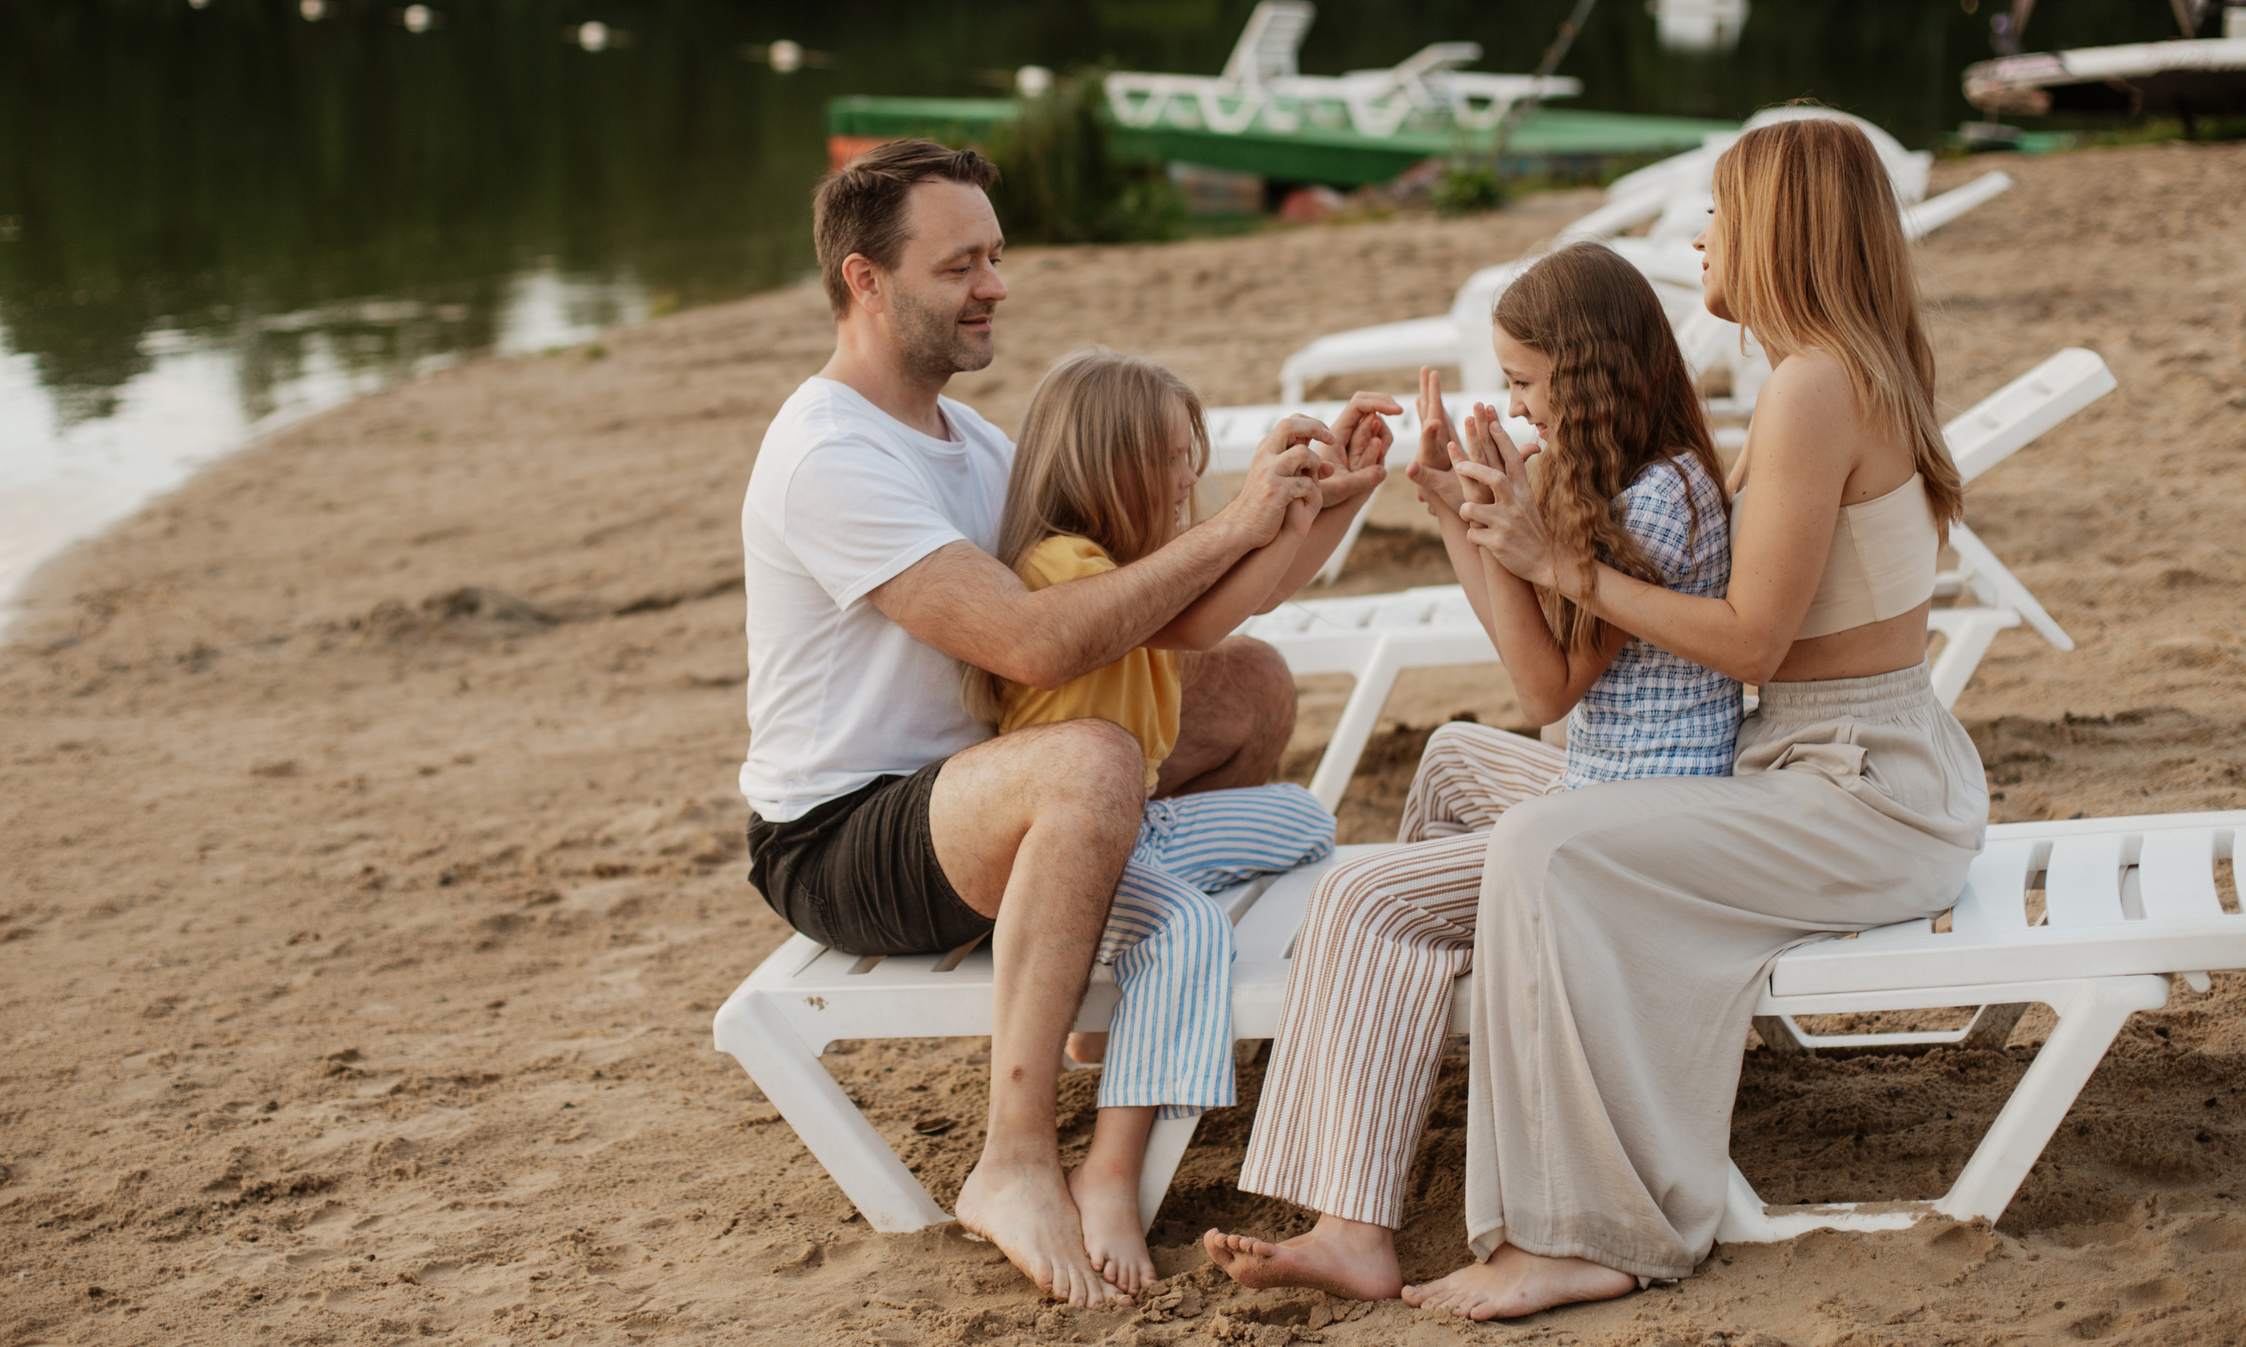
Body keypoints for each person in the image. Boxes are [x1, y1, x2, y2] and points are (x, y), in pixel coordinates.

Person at [1213, 112, 1988, 1320]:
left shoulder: (1813, 388)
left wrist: (1556, 562)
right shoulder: (1831, 375)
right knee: (1468, 766)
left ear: (1778, 230)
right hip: (1809, 765)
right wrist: (1502, 531)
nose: (1701, 235)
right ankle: (1394, 1120)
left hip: (1853, 793)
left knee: (1536, 842)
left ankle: (1577, 1229)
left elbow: (1748, 640)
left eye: (1723, 213)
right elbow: (1600, 664)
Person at [737, 139, 1394, 1305]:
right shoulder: (829, 455)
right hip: (842, 837)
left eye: (995, 257)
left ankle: (1120, 1002)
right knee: (1091, 759)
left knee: (1249, 683)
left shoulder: (973, 443)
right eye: (959, 267)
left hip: (979, 785)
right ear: (865, 281)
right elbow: (1036, 643)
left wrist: (1313, 508)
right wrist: (1233, 521)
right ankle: (1015, 1158)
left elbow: (1173, 616)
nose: (993, 286)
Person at [1205, 242, 1740, 1299]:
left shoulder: (1656, 503)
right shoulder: (1641, 472)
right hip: (1607, 783)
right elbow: (1533, 663)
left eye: (1526, 383)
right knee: (1450, 758)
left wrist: (1491, 523)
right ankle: (1402, 1035)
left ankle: (1353, 1225)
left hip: (1637, 826)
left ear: (1585, 377)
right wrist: (1460, 512)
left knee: (1362, 898)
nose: (1516, 404)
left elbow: (1545, 693)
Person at [973, 348, 1376, 1296]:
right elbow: (1215, 606)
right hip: (1079, 853)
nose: (1187, 477)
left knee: (1304, 818)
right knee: (1192, 931)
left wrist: (1342, 494)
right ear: (1102, 466)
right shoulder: (1069, 568)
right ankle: (1109, 1173)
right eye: (1166, 458)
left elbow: (1258, 587)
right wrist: (1268, 508)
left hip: (1145, 828)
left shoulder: (1134, 567)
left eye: (1189, 453)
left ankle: (1118, 997)